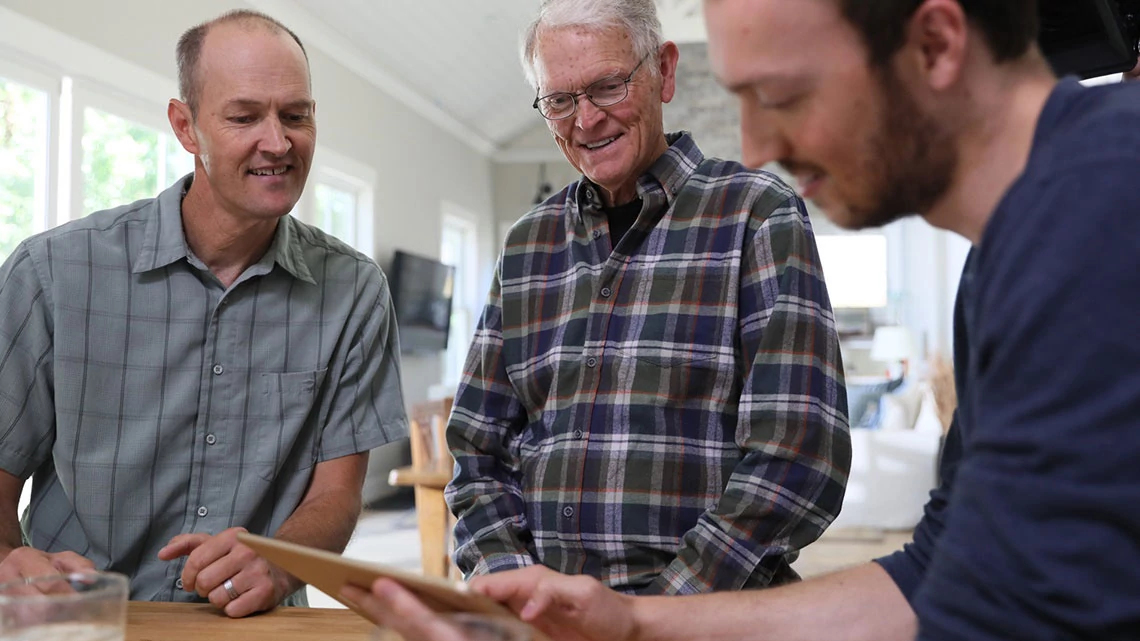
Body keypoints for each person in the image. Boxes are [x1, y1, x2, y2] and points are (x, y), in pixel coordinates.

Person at [345, 0, 1140, 638]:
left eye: (782, 94)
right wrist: (624, 624)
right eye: (560, 99)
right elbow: (941, 576)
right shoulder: (1003, 254)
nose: (754, 144)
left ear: (935, 45)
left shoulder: (1102, 207)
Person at [0, 10, 408, 618]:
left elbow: (337, 497)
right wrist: (12, 562)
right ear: (185, 126)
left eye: (296, 115)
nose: (278, 141)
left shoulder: (354, 291)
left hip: (254, 625)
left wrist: (278, 558)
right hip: (79, 621)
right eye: (245, 117)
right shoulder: (49, 273)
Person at [444, 0, 849, 596]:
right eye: (559, 100)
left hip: (707, 618)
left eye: (608, 86)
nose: (585, 121)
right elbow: (477, 450)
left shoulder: (757, 214)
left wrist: (660, 616)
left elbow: (798, 454)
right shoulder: (527, 243)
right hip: (545, 619)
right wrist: (514, 587)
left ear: (663, 70)